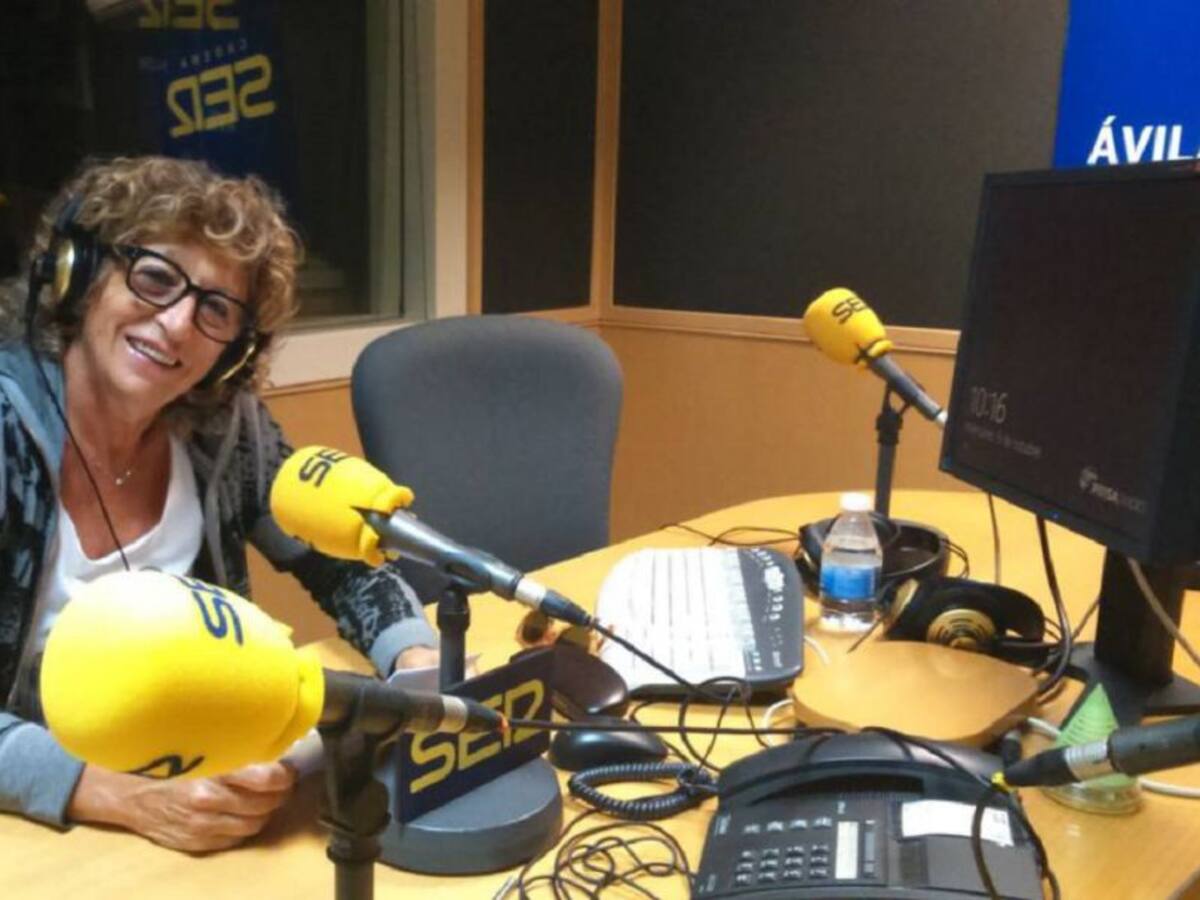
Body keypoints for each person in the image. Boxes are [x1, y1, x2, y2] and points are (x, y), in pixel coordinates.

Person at [0, 156, 438, 852]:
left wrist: (414, 663)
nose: (177, 324)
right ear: (79, 276)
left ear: (234, 351)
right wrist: (113, 794)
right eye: (154, 279)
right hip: (40, 830)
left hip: (209, 799)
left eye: (215, 309)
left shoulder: (226, 433)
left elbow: (341, 563)